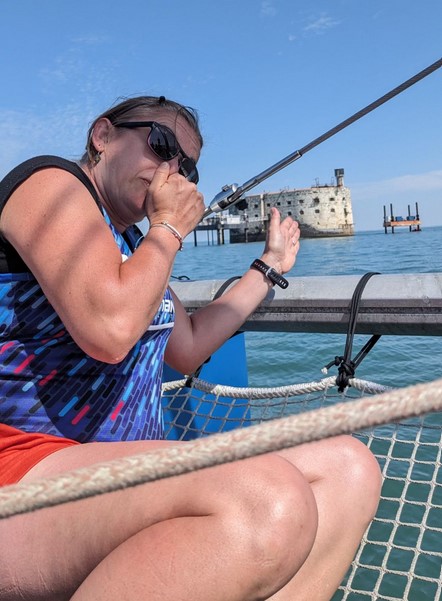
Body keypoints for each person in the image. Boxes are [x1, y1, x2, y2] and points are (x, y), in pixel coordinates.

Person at [0, 95, 382, 601]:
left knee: (350, 470)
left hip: (126, 475)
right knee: (264, 501)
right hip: (24, 475)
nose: (173, 171)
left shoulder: (137, 247)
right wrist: (170, 228)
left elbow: (188, 346)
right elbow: (110, 329)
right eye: (161, 145)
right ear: (103, 136)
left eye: (188, 167)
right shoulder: (48, 182)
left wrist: (267, 268)